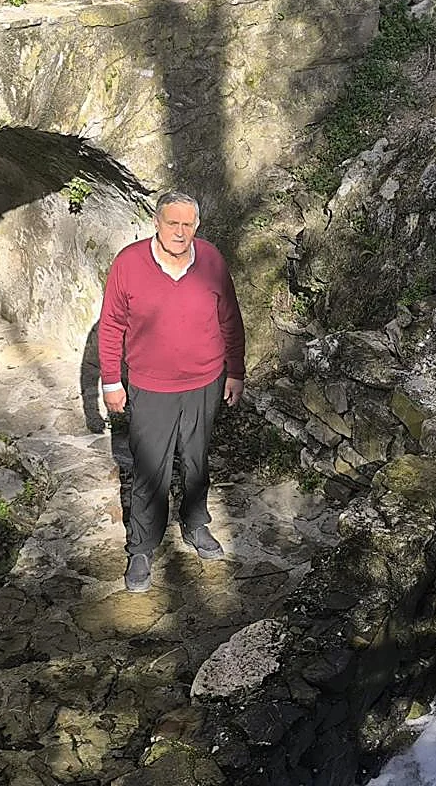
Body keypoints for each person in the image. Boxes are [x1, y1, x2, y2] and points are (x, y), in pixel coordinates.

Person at [97, 191, 246, 592]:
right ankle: (142, 548)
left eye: (187, 225)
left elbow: (230, 318)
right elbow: (110, 326)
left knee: (197, 460)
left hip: (205, 382)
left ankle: (195, 525)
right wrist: (111, 381)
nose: (180, 232)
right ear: (157, 223)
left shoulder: (211, 260)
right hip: (151, 385)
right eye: (172, 223)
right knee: (150, 467)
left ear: (196, 227)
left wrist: (236, 370)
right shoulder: (128, 264)